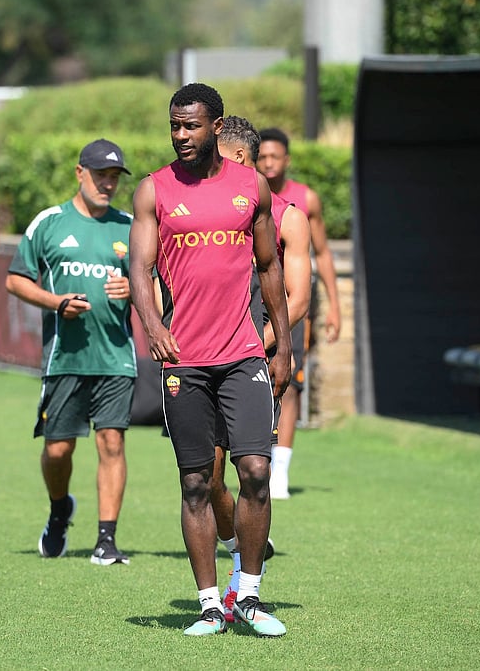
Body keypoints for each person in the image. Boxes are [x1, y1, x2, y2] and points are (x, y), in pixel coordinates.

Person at [129, 83, 291, 637]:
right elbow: (140, 269)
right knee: (197, 482)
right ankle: (208, 605)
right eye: (174, 126)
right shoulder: (153, 190)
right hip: (185, 359)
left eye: (191, 126)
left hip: (243, 352)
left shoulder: (253, 186)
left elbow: (270, 267)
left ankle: (247, 596)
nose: (181, 136)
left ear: (216, 127)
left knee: (256, 470)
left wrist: (284, 343)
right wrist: (154, 326)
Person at [6, 139, 135, 566]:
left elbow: (162, 284)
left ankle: (107, 540)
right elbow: (16, 280)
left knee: (112, 443)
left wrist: (135, 289)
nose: (108, 184)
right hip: (65, 358)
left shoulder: (131, 227)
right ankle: (60, 508)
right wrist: (56, 302)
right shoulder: (50, 222)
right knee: (59, 449)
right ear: (80, 173)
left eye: (114, 177)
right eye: (101, 175)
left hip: (117, 357)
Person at [208, 116, 313, 620]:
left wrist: (258, 342)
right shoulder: (203, 208)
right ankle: (238, 546)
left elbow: (298, 296)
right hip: (203, 358)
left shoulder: (288, 215)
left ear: (243, 161)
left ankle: (242, 585)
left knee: (251, 469)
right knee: (205, 479)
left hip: (253, 357)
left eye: (221, 161)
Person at [256, 127, 343, 498]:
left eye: (275, 156)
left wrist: (335, 305)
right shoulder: (244, 198)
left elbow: (321, 253)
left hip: (290, 304)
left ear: (287, 159)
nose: (269, 162)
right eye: (263, 157)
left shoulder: (304, 199)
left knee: (286, 383)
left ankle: (280, 473)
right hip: (249, 302)